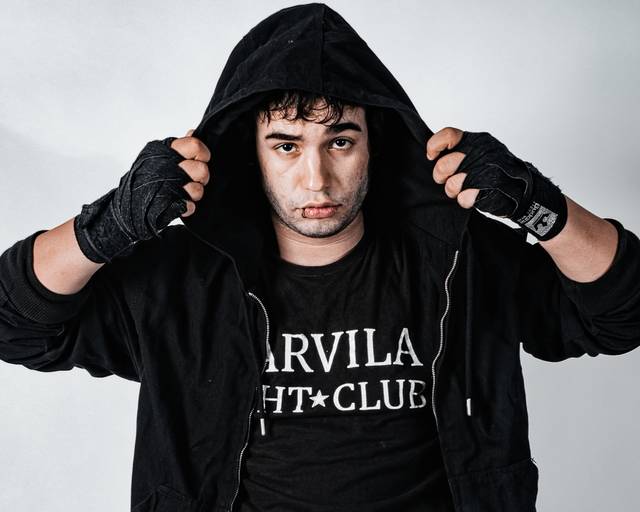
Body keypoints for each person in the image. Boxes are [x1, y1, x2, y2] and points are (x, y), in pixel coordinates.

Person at [1, 3, 639, 511]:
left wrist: (542, 208)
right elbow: (15, 324)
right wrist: (108, 226)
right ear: (249, 152)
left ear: (374, 143)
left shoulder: (458, 259)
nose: (317, 179)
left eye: (340, 141)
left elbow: (622, 315)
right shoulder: (184, 280)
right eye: (286, 145)